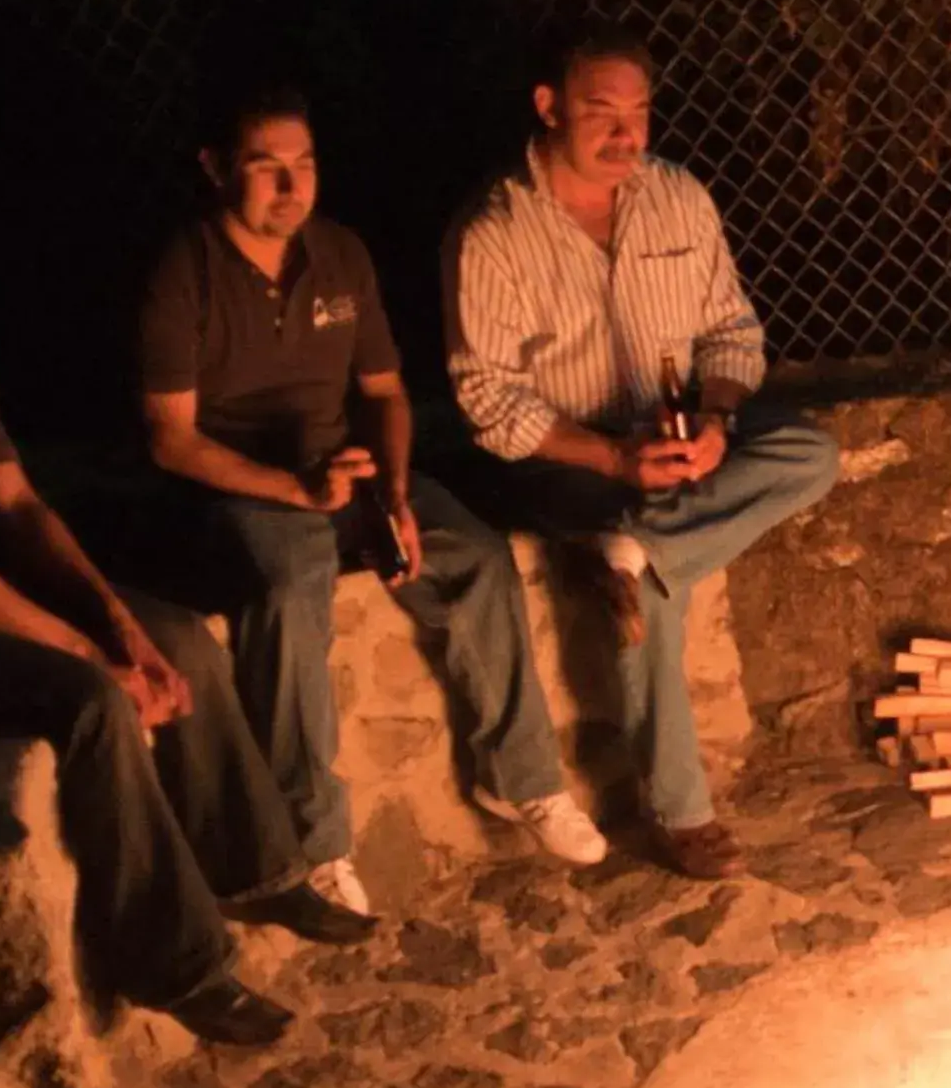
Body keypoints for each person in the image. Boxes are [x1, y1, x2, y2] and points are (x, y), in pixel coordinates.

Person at [0, 142, 372, 1048]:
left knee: (180, 639)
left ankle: (259, 873)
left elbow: (14, 503)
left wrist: (122, 625)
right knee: (92, 702)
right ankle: (178, 964)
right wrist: (96, 658)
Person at [140, 85, 605, 918]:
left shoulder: (340, 254)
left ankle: (520, 778)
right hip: (244, 484)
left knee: (476, 556)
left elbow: (386, 393)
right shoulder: (186, 272)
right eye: (266, 168)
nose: (291, 188)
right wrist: (292, 489)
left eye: (305, 165)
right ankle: (314, 844)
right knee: (290, 588)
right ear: (215, 170)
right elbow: (171, 440)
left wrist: (391, 491)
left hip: (341, 470)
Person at [444, 24, 837, 880]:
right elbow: (487, 399)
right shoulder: (492, 231)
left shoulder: (678, 198)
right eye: (601, 113)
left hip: (677, 428)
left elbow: (732, 331)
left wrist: (719, 422)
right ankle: (679, 811)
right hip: (569, 457)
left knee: (808, 454)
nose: (626, 134)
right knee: (649, 584)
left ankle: (639, 548)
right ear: (549, 108)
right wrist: (615, 462)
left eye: (638, 113)